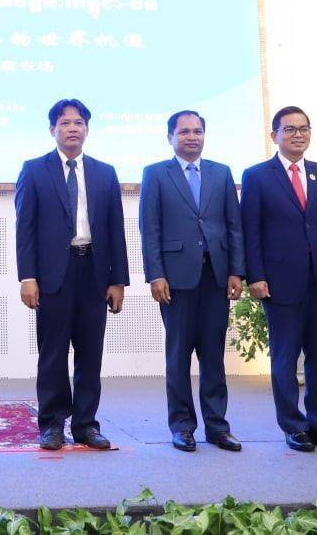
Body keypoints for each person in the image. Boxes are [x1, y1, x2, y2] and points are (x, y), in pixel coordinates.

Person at [241, 106, 317, 453]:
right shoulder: (257, 176)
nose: (298, 135)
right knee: (285, 358)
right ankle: (293, 427)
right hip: (280, 281)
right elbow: (251, 231)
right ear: (274, 135)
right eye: (289, 129)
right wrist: (256, 276)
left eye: (303, 129)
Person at [15, 98, 129, 451]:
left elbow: (115, 229)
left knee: (90, 354)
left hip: (93, 271)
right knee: (52, 353)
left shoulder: (105, 173)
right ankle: (51, 424)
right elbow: (25, 228)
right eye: (65, 123)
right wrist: (27, 276)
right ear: (53, 129)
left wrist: (118, 280)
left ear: (87, 129)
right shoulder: (34, 170)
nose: (72, 128)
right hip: (53, 276)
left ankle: (85, 425)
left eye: (79, 123)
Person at [138, 110, 244, 453]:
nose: (191, 137)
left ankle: (217, 427)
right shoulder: (156, 174)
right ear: (170, 137)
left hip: (216, 277)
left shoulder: (221, 173)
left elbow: (234, 225)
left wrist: (236, 270)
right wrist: (156, 274)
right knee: (179, 356)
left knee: (213, 355)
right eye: (184, 132)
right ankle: (182, 426)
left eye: (197, 131)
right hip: (175, 279)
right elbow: (149, 229)